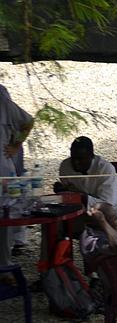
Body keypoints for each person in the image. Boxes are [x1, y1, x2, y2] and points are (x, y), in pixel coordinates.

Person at [54, 136, 117, 230]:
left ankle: (105, 240)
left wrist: (80, 195)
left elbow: (106, 203)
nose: (76, 162)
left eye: (81, 159)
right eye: (73, 158)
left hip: (112, 210)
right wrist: (62, 191)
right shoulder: (65, 167)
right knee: (54, 221)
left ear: (91, 157)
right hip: (81, 209)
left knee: (104, 214)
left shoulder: (105, 169)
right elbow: (69, 194)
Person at [0, 84, 34, 268]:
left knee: (4, 218)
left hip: (3, 172)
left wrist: (16, 145)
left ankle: (4, 266)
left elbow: (27, 122)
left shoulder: (3, 103)